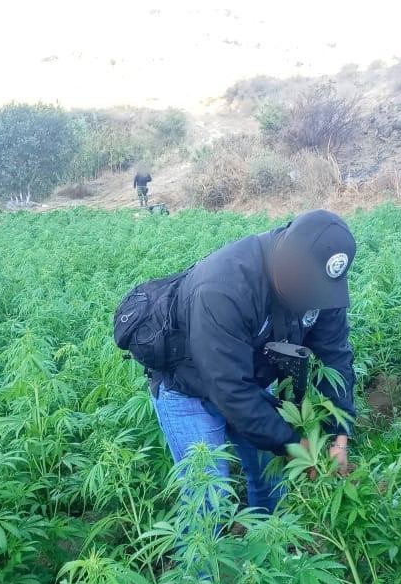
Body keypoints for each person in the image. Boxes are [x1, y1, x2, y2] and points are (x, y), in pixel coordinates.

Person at [149, 209, 357, 522]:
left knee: (272, 482)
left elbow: (335, 356)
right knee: (209, 500)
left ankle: (267, 555)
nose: (311, 298)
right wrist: (297, 447)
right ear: (286, 260)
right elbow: (230, 389)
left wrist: (339, 437)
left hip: (253, 380)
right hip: (189, 389)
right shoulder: (221, 287)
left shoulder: (321, 286)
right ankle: (203, 573)